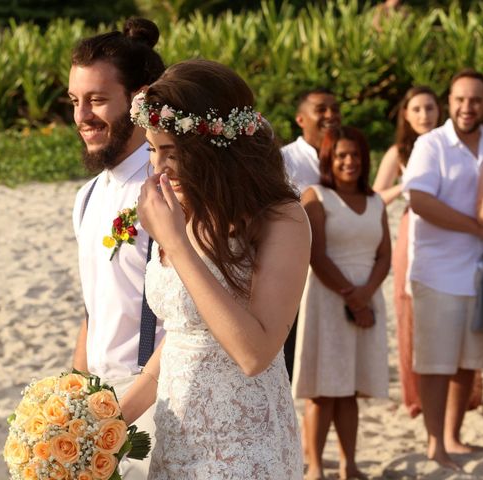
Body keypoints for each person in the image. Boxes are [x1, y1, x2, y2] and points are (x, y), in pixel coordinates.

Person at [120, 59, 310, 478]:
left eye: (171, 153)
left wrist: (176, 244)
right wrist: (114, 419)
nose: (158, 167)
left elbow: (254, 353)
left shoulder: (282, 219)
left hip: (246, 448)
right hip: (176, 439)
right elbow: (185, 338)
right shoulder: (181, 210)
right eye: (152, 150)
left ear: (215, 150)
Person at [68, 17, 165, 478]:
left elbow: (188, 322)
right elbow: (94, 308)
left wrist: (120, 413)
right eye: (75, 101)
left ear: (140, 99)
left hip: (159, 403)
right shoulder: (86, 197)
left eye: (97, 100)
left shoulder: (167, 189)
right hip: (102, 403)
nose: (82, 116)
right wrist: (73, 397)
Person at [293, 126, 390, 480]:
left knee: (349, 388)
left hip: (368, 297)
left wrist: (366, 297)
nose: (349, 161)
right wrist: (354, 297)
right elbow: (316, 255)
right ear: (329, 159)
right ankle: (315, 467)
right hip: (328, 298)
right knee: (323, 390)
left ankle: (350, 465)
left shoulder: (377, 201)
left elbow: (384, 256)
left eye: (355, 155)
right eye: (341, 155)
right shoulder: (315, 196)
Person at [402, 68, 483, 469]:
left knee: (468, 362)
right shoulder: (431, 144)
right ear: (449, 101)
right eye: (461, 99)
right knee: (436, 364)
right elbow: (419, 200)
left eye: (476, 100)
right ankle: (435, 445)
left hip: (479, 273)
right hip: (437, 273)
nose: (468, 107)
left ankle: (453, 437)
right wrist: (477, 228)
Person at [373, 86, 441, 418]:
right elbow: (373, 198)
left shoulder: (450, 145)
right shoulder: (399, 152)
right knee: (409, 311)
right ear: (406, 114)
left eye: (429, 108)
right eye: (417, 109)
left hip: (453, 237)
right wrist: (406, 186)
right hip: (412, 232)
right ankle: (416, 395)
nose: (424, 115)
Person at [281, 88, 341, 380]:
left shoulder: (347, 159)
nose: (330, 115)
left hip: (340, 270)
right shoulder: (285, 160)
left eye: (335, 108)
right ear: (301, 118)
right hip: (297, 275)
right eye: (322, 109)